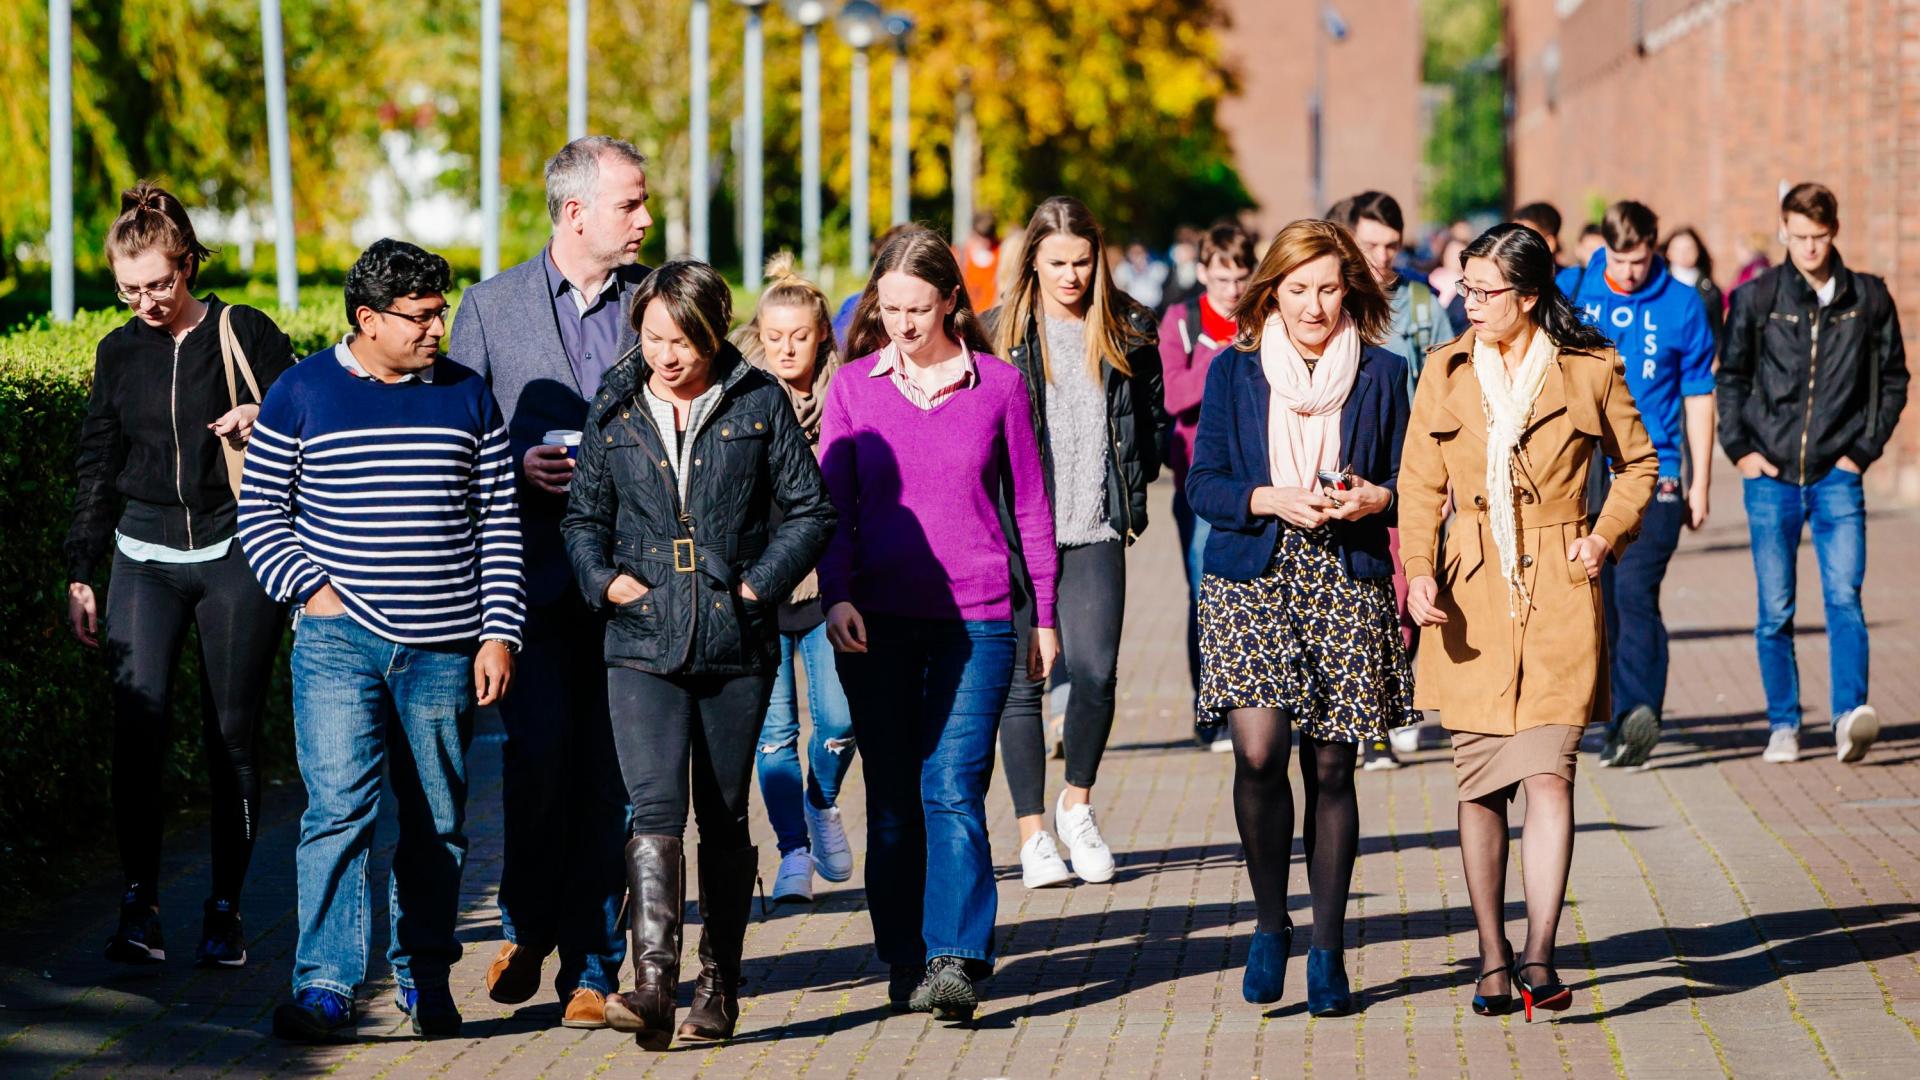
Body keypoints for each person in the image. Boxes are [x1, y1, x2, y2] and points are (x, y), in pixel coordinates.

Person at [241, 239, 525, 1042]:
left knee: (436, 821)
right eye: (423, 315)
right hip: (339, 644)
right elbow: (260, 514)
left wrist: (499, 632)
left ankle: (426, 980)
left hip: (443, 649)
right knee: (337, 815)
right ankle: (326, 986)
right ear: (367, 319)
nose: (440, 326)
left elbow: (498, 523)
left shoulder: (469, 396)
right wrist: (314, 590)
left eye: (442, 309)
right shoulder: (300, 392)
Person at [561, 261, 834, 1048]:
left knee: (721, 815)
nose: (667, 356)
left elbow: (811, 511)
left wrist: (755, 589)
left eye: (682, 341)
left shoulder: (756, 400)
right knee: (652, 809)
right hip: (639, 641)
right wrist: (605, 583)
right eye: (653, 339)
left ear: (713, 334)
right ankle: (651, 984)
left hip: (734, 644)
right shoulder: (614, 401)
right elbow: (582, 519)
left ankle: (718, 988)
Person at [1401, 223, 1657, 1023]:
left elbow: (1640, 464)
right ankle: (1491, 955)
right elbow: (1417, 488)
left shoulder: (1590, 370)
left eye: (1484, 290)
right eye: (1464, 288)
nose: (1468, 302)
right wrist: (1416, 575)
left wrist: (1603, 534)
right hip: (1470, 590)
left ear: (1530, 295)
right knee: (1480, 785)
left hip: (1558, 582)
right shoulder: (1442, 374)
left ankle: (1540, 952)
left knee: (1551, 771)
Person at [819, 228, 1060, 1021]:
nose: (903, 324)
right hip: (876, 622)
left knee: (951, 786)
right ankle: (905, 953)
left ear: (952, 300)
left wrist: (1045, 615)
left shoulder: (998, 385)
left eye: (918, 308)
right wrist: (837, 596)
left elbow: (1028, 502)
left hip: (979, 619)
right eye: (889, 308)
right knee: (890, 795)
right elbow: (835, 508)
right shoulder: (853, 388)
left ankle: (955, 958)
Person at [447, 134, 651, 1030]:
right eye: (630, 205)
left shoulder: (662, 301)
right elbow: (451, 444)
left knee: (611, 780)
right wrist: (513, 467)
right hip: (525, 589)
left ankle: (594, 966)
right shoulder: (489, 310)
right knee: (536, 771)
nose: (646, 219)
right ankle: (527, 923)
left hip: (635, 588)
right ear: (576, 213)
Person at [1186, 219, 1415, 1015]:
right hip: (1254, 572)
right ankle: (1269, 922)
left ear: (1349, 286)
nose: (1314, 305)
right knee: (1258, 752)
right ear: (1271, 292)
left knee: (1330, 766)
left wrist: (1375, 498)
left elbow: (1406, 481)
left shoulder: (1384, 373)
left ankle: (1327, 947)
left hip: (1345, 575)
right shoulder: (1235, 371)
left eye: (1327, 288)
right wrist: (1268, 497)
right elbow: (1202, 485)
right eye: (1298, 289)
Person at [65, 182, 295, 970]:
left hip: (235, 554)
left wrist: (261, 417)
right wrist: (81, 569)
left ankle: (226, 910)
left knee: (231, 737)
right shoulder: (118, 350)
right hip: (144, 557)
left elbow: (311, 420)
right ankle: (139, 903)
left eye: (160, 284)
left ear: (188, 263)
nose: (148, 303)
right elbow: (101, 461)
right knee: (139, 733)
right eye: (130, 290)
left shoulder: (245, 331)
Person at [987, 196, 1169, 889]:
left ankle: (1077, 805)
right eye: (1058, 262)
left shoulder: (1129, 332)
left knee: (1095, 673)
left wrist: (1128, 483)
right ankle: (1032, 833)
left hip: (1094, 529)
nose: (1071, 276)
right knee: (1023, 682)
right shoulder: (996, 336)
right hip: (1015, 536)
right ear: (1032, 258)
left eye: (1082, 262)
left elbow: (1147, 429)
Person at [1717, 182, 1909, 764]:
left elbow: (1894, 378)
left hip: (1838, 474)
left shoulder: (1867, 297)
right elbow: (1731, 378)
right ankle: (1783, 724)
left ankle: (1850, 716)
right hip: (1770, 474)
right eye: (1797, 237)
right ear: (1783, 232)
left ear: (1834, 232)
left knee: (1844, 597)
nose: (1807, 248)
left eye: (1818, 237)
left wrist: (1863, 451)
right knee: (1776, 608)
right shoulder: (1758, 298)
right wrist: (1740, 451)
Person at [1558, 201, 1716, 769]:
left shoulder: (1681, 304)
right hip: (1585, 467)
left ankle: (1638, 714)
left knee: (1635, 592)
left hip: (1658, 468)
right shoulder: (1574, 289)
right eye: (1620, 260)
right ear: (1605, 247)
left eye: (1640, 259)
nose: (1628, 271)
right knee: (1603, 600)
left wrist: (1700, 483)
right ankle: (1616, 719)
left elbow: (1699, 393)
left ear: (1656, 247)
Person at [730, 254, 858, 904]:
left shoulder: (846, 401)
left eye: (799, 337)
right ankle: (793, 851)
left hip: (829, 590)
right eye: (773, 336)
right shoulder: (742, 400)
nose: (785, 348)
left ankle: (822, 801)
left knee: (839, 719)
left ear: (821, 338)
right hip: (760, 592)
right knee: (774, 732)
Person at [1328, 191, 1457, 770]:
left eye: (1390, 245)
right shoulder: (1331, 299)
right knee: (1352, 594)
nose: (1381, 256)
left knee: (1406, 594)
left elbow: (1453, 384)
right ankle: (1363, 720)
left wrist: (1450, 467)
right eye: (1370, 244)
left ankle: (1389, 696)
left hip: (1408, 471)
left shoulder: (1423, 305)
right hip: (1338, 467)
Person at [1160, 224, 1255, 752]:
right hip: (1199, 481)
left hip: (1257, 478)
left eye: (1242, 277)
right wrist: (1227, 354)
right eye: (1222, 277)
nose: (1233, 290)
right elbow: (1175, 394)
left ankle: (1253, 708)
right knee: (1205, 594)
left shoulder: (1263, 315)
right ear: (1202, 273)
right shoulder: (1181, 321)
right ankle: (1211, 710)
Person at [1662, 225, 1725, 348]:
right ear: (1668, 253)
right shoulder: (1659, 286)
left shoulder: (1710, 289)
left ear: (1698, 251)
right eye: (1678, 249)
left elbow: (1717, 330)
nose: (1684, 254)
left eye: (1689, 248)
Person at [958, 211, 1002, 312]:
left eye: (988, 236)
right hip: (971, 319)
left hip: (994, 318)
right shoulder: (960, 255)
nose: (985, 241)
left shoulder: (1001, 251)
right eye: (981, 236)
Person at [1114, 242, 1170, 310]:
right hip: (1132, 308)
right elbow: (1121, 290)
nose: (1137, 256)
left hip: (1155, 309)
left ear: (1146, 253)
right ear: (1128, 255)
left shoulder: (1157, 267)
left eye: (1140, 252)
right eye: (1134, 253)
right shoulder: (1123, 269)